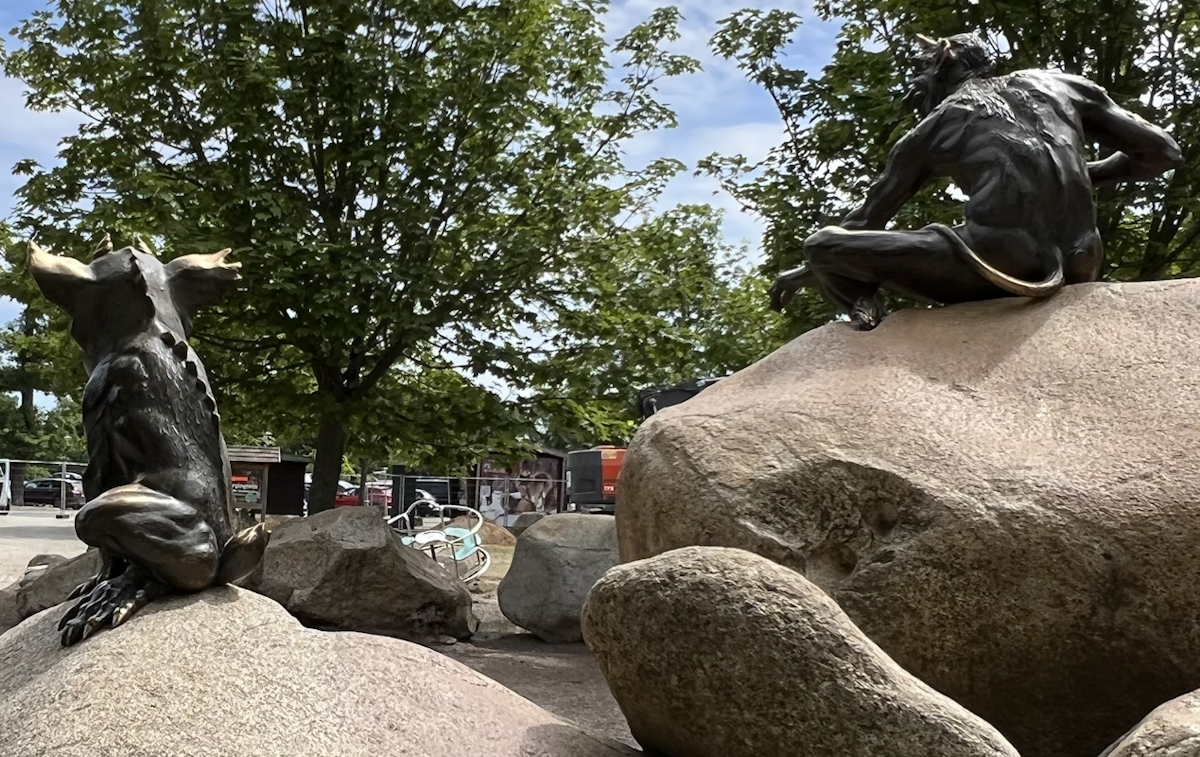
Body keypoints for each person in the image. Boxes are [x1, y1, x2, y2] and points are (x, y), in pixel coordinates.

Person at [769, 33, 1184, 330]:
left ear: (939, 66)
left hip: (1000, 264)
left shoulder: (935, 126)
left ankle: (864, 315)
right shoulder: (1059, 85)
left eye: (917, 76)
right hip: (1082, 260)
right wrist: (1081, 175)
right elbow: (1162, 152)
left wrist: (808, 271)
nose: (915, 91)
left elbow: (861, 226)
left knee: (822, 244)